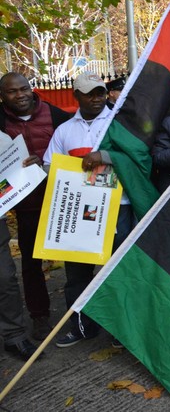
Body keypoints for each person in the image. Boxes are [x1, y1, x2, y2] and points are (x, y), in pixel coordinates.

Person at [43, 72, 136, 348]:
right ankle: (83, 326)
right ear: (76, 96)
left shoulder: (119, 123)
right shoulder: (64, 131)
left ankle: (121, 330)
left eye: (100, 92)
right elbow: (51, 167)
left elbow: (136, 157)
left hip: (118, 207)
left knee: (118, 270)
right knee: (77, 273)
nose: (97, 98)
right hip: (78, 211)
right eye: (90, 93)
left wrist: (103, 156)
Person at [0, 72, 72, 340]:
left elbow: (71, 150)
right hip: (26, 206)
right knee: (31, 263)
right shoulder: (1, 121)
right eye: (12, 91)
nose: (20, 95)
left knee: (77, 261)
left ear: (32, 89)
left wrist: (42, 161)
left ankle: (81, 313)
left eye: (24, 88)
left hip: (63, 201)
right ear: (2, 96)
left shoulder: (57, 116)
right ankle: (39, 316)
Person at [0, 130, 39, 360]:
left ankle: (14, 336)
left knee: (4, 278)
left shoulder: (2, 140)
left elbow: (11, 177)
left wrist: (29, 166)